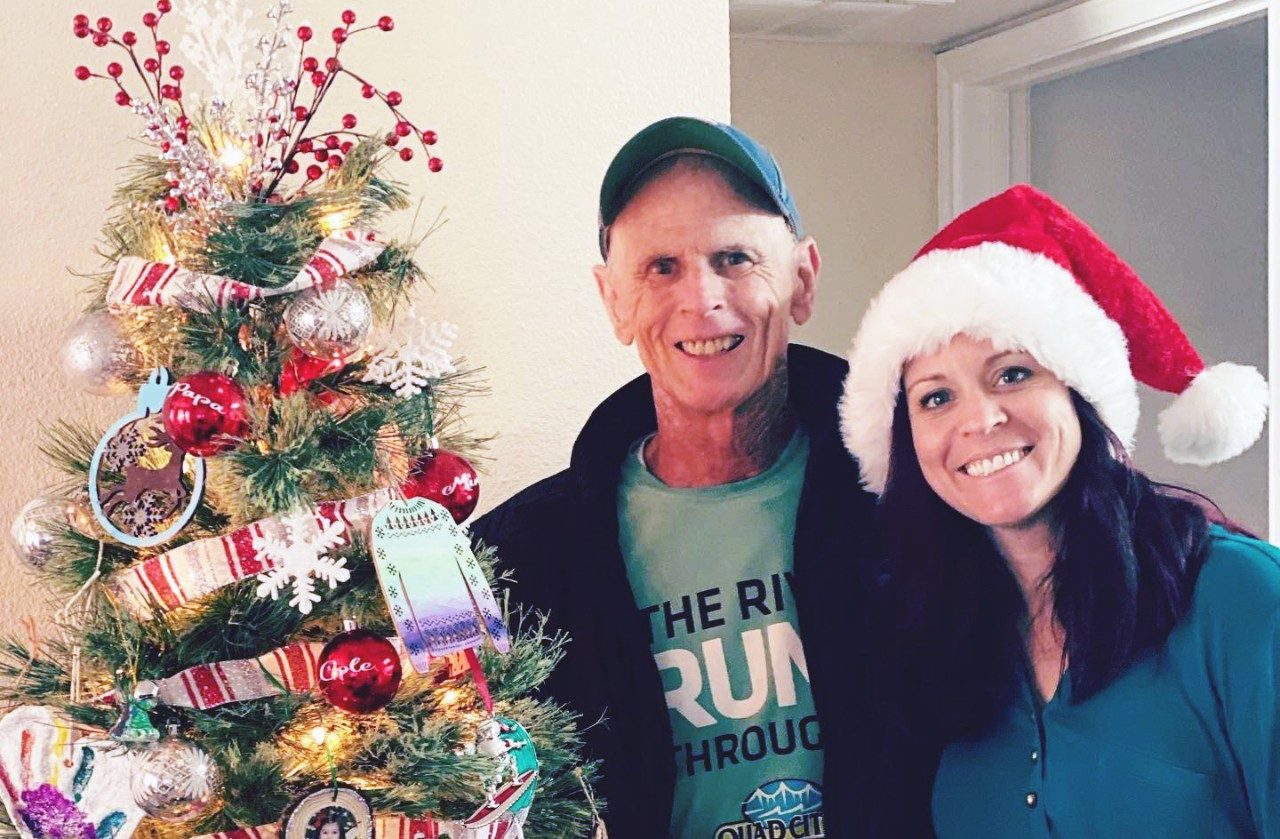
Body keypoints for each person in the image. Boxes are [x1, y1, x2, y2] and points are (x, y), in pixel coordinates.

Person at [471, 117, 884, 838]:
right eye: (661, 267)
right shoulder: (519, 560)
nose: (702, 298)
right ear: (614, 301)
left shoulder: (910, 500)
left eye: (734, 258)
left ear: (803, 278)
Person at [840, 183, 1274, 837]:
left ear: (1079, 393)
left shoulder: (1241, 598)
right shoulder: (933, 640)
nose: (979, 419)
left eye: (1012, 374)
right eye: (936, 397)